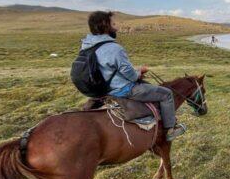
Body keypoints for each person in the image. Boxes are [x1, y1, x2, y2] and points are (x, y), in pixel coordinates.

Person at [80, 11, 186, 141]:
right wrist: (139, 72)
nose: (116, 26)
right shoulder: (114, 48)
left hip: (103, 88)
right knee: (167, 94)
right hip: (122, 89)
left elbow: (108, 68)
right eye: (113, 23)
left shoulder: (86, 46)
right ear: (105, 25)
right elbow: (130, 75)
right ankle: (170, 129)